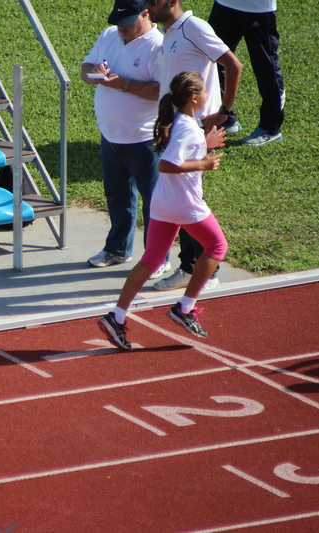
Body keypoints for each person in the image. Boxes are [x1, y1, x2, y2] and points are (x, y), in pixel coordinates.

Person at [99, 71, 228, 349]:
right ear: (194, 98)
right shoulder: (186, 127)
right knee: (217, 247)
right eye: (205, 91)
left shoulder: (186, 122)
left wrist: (205, 144)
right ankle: (185, 307)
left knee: (152, 260)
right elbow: (166, 164)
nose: (208, 95)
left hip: (162, 204)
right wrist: (203, 164)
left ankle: (117, 317)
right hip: (184, 204)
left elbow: (185, 149)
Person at [145, 0, 242, 292]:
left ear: (173, 1)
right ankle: (192, 265)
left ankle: (201, 271)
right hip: (179, 129)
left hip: (193, 130)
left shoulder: (194, 27)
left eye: (154, 0)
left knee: (187, 201)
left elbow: (233, 64)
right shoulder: (169, 33)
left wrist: (224, 111)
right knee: (181, 199)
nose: (148, 5)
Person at [82, 0, 172, 279]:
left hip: (144, 139)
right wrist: (94, 74)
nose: (122, 28)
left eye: (128, 22)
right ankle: (118, 249)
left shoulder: (159, 46)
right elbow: (86, 68)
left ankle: (159, 259)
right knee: (118, 197)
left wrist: (124, 85)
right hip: (110, 135)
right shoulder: (110, 34)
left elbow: (162, 90)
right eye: (118, 22)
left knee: (154, 202)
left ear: (145, 14)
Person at [208, 0, 284, 146]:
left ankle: (270, 128)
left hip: (258, 8)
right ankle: (226, 118)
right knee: (211, 59)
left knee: (266, 68)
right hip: (224, 4)